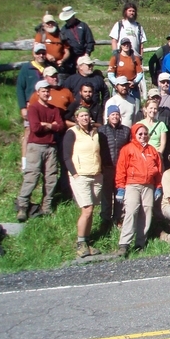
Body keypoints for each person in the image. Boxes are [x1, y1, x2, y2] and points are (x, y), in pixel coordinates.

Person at [16, 80, 65, 221]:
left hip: (51, 147)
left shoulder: (54, 109)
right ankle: (23, 206)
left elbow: (60, 126)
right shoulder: (34, 108)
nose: (46, 93)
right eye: (43, 91)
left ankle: (47, 206)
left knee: (51, 177)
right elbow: (36, 128)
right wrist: (51, 125)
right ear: (38, 93)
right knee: (32, 176)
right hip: (36, 146)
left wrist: (47, 125)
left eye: (48, 91)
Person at [115, 123, 162, 256]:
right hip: (132, 184)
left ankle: (140, 243)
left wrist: (158, 187)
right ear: (134, 135)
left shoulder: (152, 151)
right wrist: (120, 187)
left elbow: (158, 171)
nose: (143, 136)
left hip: (149, 185)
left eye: (145, 134)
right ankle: (124, 244)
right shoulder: (127, 149)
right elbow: (121, 169)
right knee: (131, 211)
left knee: (147, 212)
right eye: (140, 134)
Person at [63, 108, 103, 258]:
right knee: (86, 210)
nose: (85, 118)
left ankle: (87, 241)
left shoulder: (95, 132)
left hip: (96, 174)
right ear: (76, 118)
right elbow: (66, 156)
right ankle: (80, 243)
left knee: (91, 210)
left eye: (87, 115)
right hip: (80, 175)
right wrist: (75, 174)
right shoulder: (72, 133)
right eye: (82, 116)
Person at [16, 43, 48, 170]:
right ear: (33, 54)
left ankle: (42, 163)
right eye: (38, 53)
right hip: (31, 106)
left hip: (46, 106)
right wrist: (22, 107)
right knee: (29, 132)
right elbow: (20, 88)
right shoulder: (26, 68)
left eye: (43, 53)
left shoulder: (48, 68)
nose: (41, 55)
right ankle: (25, 163)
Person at [98, 105, 130, 227]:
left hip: (121, 168)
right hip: (107, 167)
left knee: (119, 193)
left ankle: (118, 218)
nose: (115, 116)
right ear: (108, 116)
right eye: (112, 114)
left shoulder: (126, 131)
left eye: (117, 114)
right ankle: (105, 218)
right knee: (106, 194)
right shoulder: (101, 130)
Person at [58, 6, 95, 74]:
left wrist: (87, 53)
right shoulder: (64, 30)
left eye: (68, 18)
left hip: (83, 55)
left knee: (85, 74)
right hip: (70, 58)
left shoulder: (83, 26)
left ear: (73, 16)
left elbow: (90, 40)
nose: (67, 20)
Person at [108, 37, 144, 101]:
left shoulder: (135, 58)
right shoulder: (115, 58)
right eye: (124, 44)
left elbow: (140, 73)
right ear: (121, 46)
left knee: (135, 109)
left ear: (130, 45)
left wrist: (134, 82)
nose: (126, 46)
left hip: (132, 88)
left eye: (128, 44)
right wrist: (118, 83)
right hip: (119, 89)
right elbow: (110, 75)